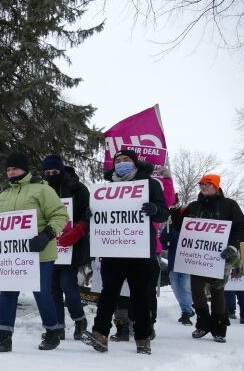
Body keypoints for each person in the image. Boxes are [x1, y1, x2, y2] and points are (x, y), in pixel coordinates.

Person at [81, 149, 168, 355]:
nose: (121, 163)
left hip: (140, 251)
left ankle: (143, 338)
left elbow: (163, 213)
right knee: (108, 294)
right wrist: (92, 213)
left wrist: (155, 210)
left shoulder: (150, 185)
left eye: (126, 160)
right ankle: (100, 334)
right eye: (118, 160)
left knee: (141, 296)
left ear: (135, 163)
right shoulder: (106, 189)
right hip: (113, 250)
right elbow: (99, 218)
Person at [0, 152, 69, 353]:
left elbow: (60, 215)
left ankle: (52, 332)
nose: (11, 172)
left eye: (15, 168)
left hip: (39, 252)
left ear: (25, 169)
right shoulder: (2, 195)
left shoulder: (42, 190)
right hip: (11, 255)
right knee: (7, 292)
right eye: (8, 169)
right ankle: (5, 337)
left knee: (41, 293)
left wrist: (47, 235)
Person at [175, 174, 244, 343]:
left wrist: (233, 246)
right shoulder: (193, 206)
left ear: (216, 186)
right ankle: (203, 324)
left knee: (217, 291)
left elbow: (241, 227)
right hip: (197, 256)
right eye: (201, 184)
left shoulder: (229, 205)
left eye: (208, 184)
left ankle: (219, 328)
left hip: (220, 255)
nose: (204, 186)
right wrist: (176, 211)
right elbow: (180, 226)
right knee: (197, 291)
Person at [42, 154, 90, 340]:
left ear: (61, 170)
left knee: (68, 287)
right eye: (47, 172)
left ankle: (79, 320)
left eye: (54, 171)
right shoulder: (42, 190)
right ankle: (58, 326)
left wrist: (77, 231)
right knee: (52, 288)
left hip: (72, 247)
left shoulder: (77, 188)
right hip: (49, 245)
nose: (51, 175)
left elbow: (87, 216)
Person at [164, 197, 195, 325]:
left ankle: (186, 312)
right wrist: (166, 238)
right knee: (177, 290)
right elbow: (164, 245)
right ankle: (187, 309)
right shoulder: (170, 228)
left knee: (185, 288)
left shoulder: (192, 230)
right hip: (173, 264)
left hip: (187, 264)